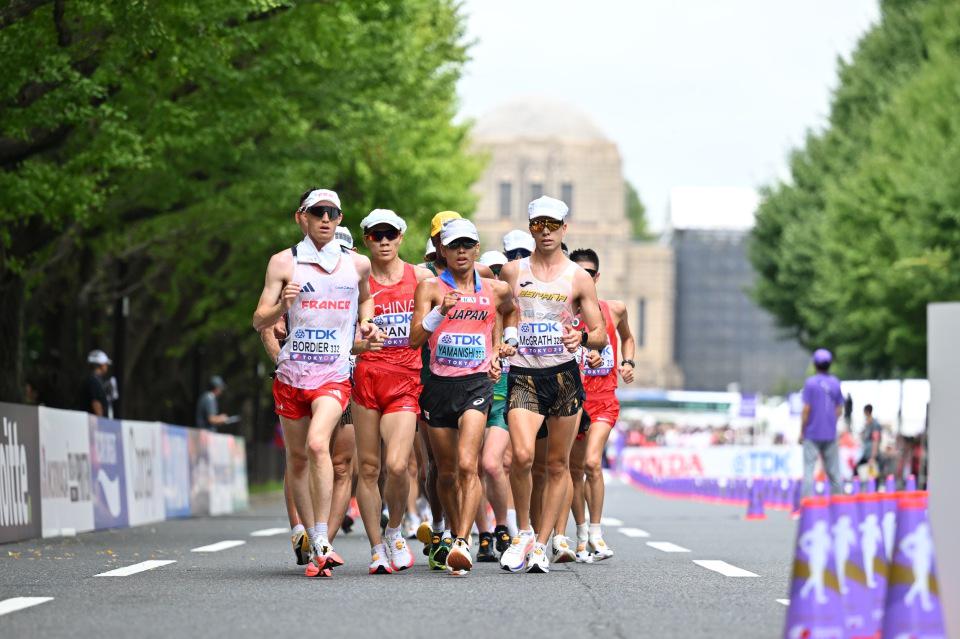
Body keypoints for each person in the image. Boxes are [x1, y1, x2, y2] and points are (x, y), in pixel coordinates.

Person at [252, 187, 380, 577]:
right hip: (291, 375)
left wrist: (367, 322)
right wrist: (282, 306)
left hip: (333, 375)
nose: (326, 218)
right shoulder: (283, 263)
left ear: (340, 219)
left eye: (333, 213)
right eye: (318, 211)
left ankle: (323, 536)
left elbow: (366, 299)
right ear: (301, 217)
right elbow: (259, 320)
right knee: (297, 459)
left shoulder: (357, 265)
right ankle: (311, 538)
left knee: (316, 443)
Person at [498, 196, 606, 574]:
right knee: (523, 456)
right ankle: (523, 532)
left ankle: (542, 543)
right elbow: (498, 312)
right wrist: (500, 340)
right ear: (530, 228)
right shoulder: (513, 272)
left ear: (565, 228)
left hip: (563, 377)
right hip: (524, 374)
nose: (545, 231)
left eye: (553, 224)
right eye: (538, 224)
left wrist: (584, 339)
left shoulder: (577, 276)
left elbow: (600, 333)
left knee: (558, 465)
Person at [410, 218, 517, 574]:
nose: (460, 252)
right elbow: (413, 339)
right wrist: (441, 311)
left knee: (469, 465)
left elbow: (511, 308)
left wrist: (507, 341)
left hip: (476, 384)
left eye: (467, 245)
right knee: (445, 471)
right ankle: (453, 532)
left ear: (475, 249)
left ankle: (460, 541)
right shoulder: (430, 288)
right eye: (453, 245)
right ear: (442, 250)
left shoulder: (494, 288)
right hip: (439, 385)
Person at [351, 209, 433, 575]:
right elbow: (340, 336)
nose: (383, 242)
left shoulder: (421, 276)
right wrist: (358, 346)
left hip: (405, 378)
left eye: (389, 235)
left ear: (401, 237)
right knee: (369, 468)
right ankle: (375, 548)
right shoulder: (354, 279)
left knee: (398, 465)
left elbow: (463, 302)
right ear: (366, 240)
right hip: (366, 378)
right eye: (375, 235)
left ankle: (396, 530)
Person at [567, 248, 636, 562]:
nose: (586, 277)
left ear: (597, 277)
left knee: (593, 463)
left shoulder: (615, 309)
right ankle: (580, 534)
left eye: (590, 273)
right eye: (578, 272)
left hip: (604, 400)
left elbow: (628, 338)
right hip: (572, 399)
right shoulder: (563, 312)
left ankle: (596, 532)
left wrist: (627, 361)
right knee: (574, 468)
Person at [800, 349, 844, 497]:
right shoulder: (835, 383)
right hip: (830, 434)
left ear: (815, 364)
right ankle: (839, 507)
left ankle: (808, 506)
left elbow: (806, 409)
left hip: (812, 434)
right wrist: (831, 422)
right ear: (830, 364)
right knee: (834, 473)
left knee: (808, 471)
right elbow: (839, 409)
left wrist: (802, 430)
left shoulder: (810, 383)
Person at [80, 350, 112, 417]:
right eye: (106, 364)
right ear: (101, 364)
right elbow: (96, 402)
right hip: (93, 423)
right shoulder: (94, 381)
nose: (107, 366)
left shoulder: (93, 380)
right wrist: (101, 422)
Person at [854, 404, 883, 478]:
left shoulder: (875, 425)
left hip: (871, 455)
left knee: (873, 475)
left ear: (866, 412)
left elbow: (875, 441)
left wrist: (873, 457)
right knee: (864, 473)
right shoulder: (867, 424)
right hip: (866, 453)